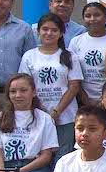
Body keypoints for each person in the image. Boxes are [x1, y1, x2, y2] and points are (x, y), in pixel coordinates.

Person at [20, 13, 84, 152]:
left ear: (61, 33)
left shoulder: (70, 56)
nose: (49, 33)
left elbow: (74, 87)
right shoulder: (29, 56)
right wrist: (42, 111)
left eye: (54, 30)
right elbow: (25, 86)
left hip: (65, 116)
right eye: (45, 29)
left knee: (63, 155)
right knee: (40, 155)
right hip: (36, 115)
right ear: (38, 31)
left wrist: (56, 112)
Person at [69, 1, 106, 102]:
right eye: (88, 16)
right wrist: (85, 100)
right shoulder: (76, 41)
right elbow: (72, 74)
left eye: (97, 15)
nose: (92, 19)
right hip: (82, 99)